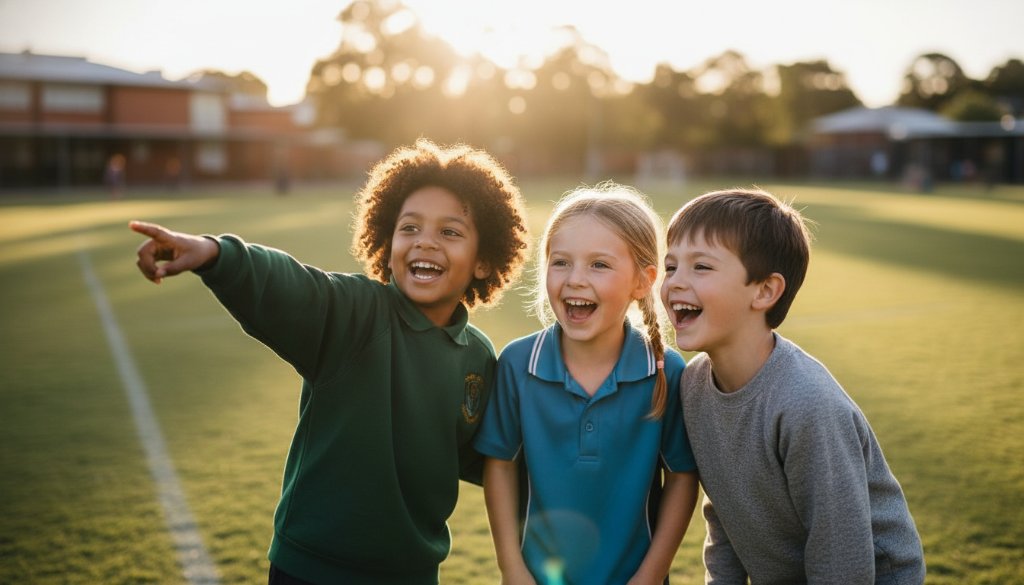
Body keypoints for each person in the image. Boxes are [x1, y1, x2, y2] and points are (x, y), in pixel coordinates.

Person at [129, 139, 530, 585]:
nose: (425, 243)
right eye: (409, 228)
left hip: (411, 573)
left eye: (450, 232)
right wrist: (215, 254)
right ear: (386, 239)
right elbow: (289, 284)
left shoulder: (477, 358)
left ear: (484, 260)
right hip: (311, 569)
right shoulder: (355, 313)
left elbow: (485, 457)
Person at [660, 188, 926, 584]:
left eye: (701, 267)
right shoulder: (693, 386)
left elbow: (841, 559)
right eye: (670, 266)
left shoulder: (807, 404)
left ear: (765, 291)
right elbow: (725, 514)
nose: (675, 283)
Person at [474, 183, 699, 585]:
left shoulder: (667, 371)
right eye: (560, 262)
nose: (575, 279)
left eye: (599, 264)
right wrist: (512, 569)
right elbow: (500, 465)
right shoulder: (517, 364)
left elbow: (682, 478)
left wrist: (649, 576)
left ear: (642, 280)